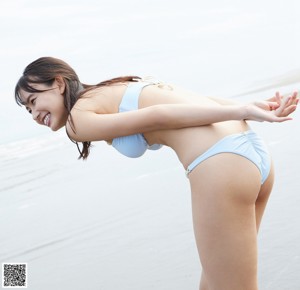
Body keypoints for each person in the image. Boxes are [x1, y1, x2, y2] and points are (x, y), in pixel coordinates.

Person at [14, 57, 298, 290]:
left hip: (221, 166)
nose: (34, 113)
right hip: (250, 152)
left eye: (33, 100)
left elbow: (160, 115)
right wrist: (248, 110)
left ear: (59, 83)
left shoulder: (78, 121)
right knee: (213, 284)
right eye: (27, 110)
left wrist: (245, 109)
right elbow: (196, 99)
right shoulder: (116, 86)